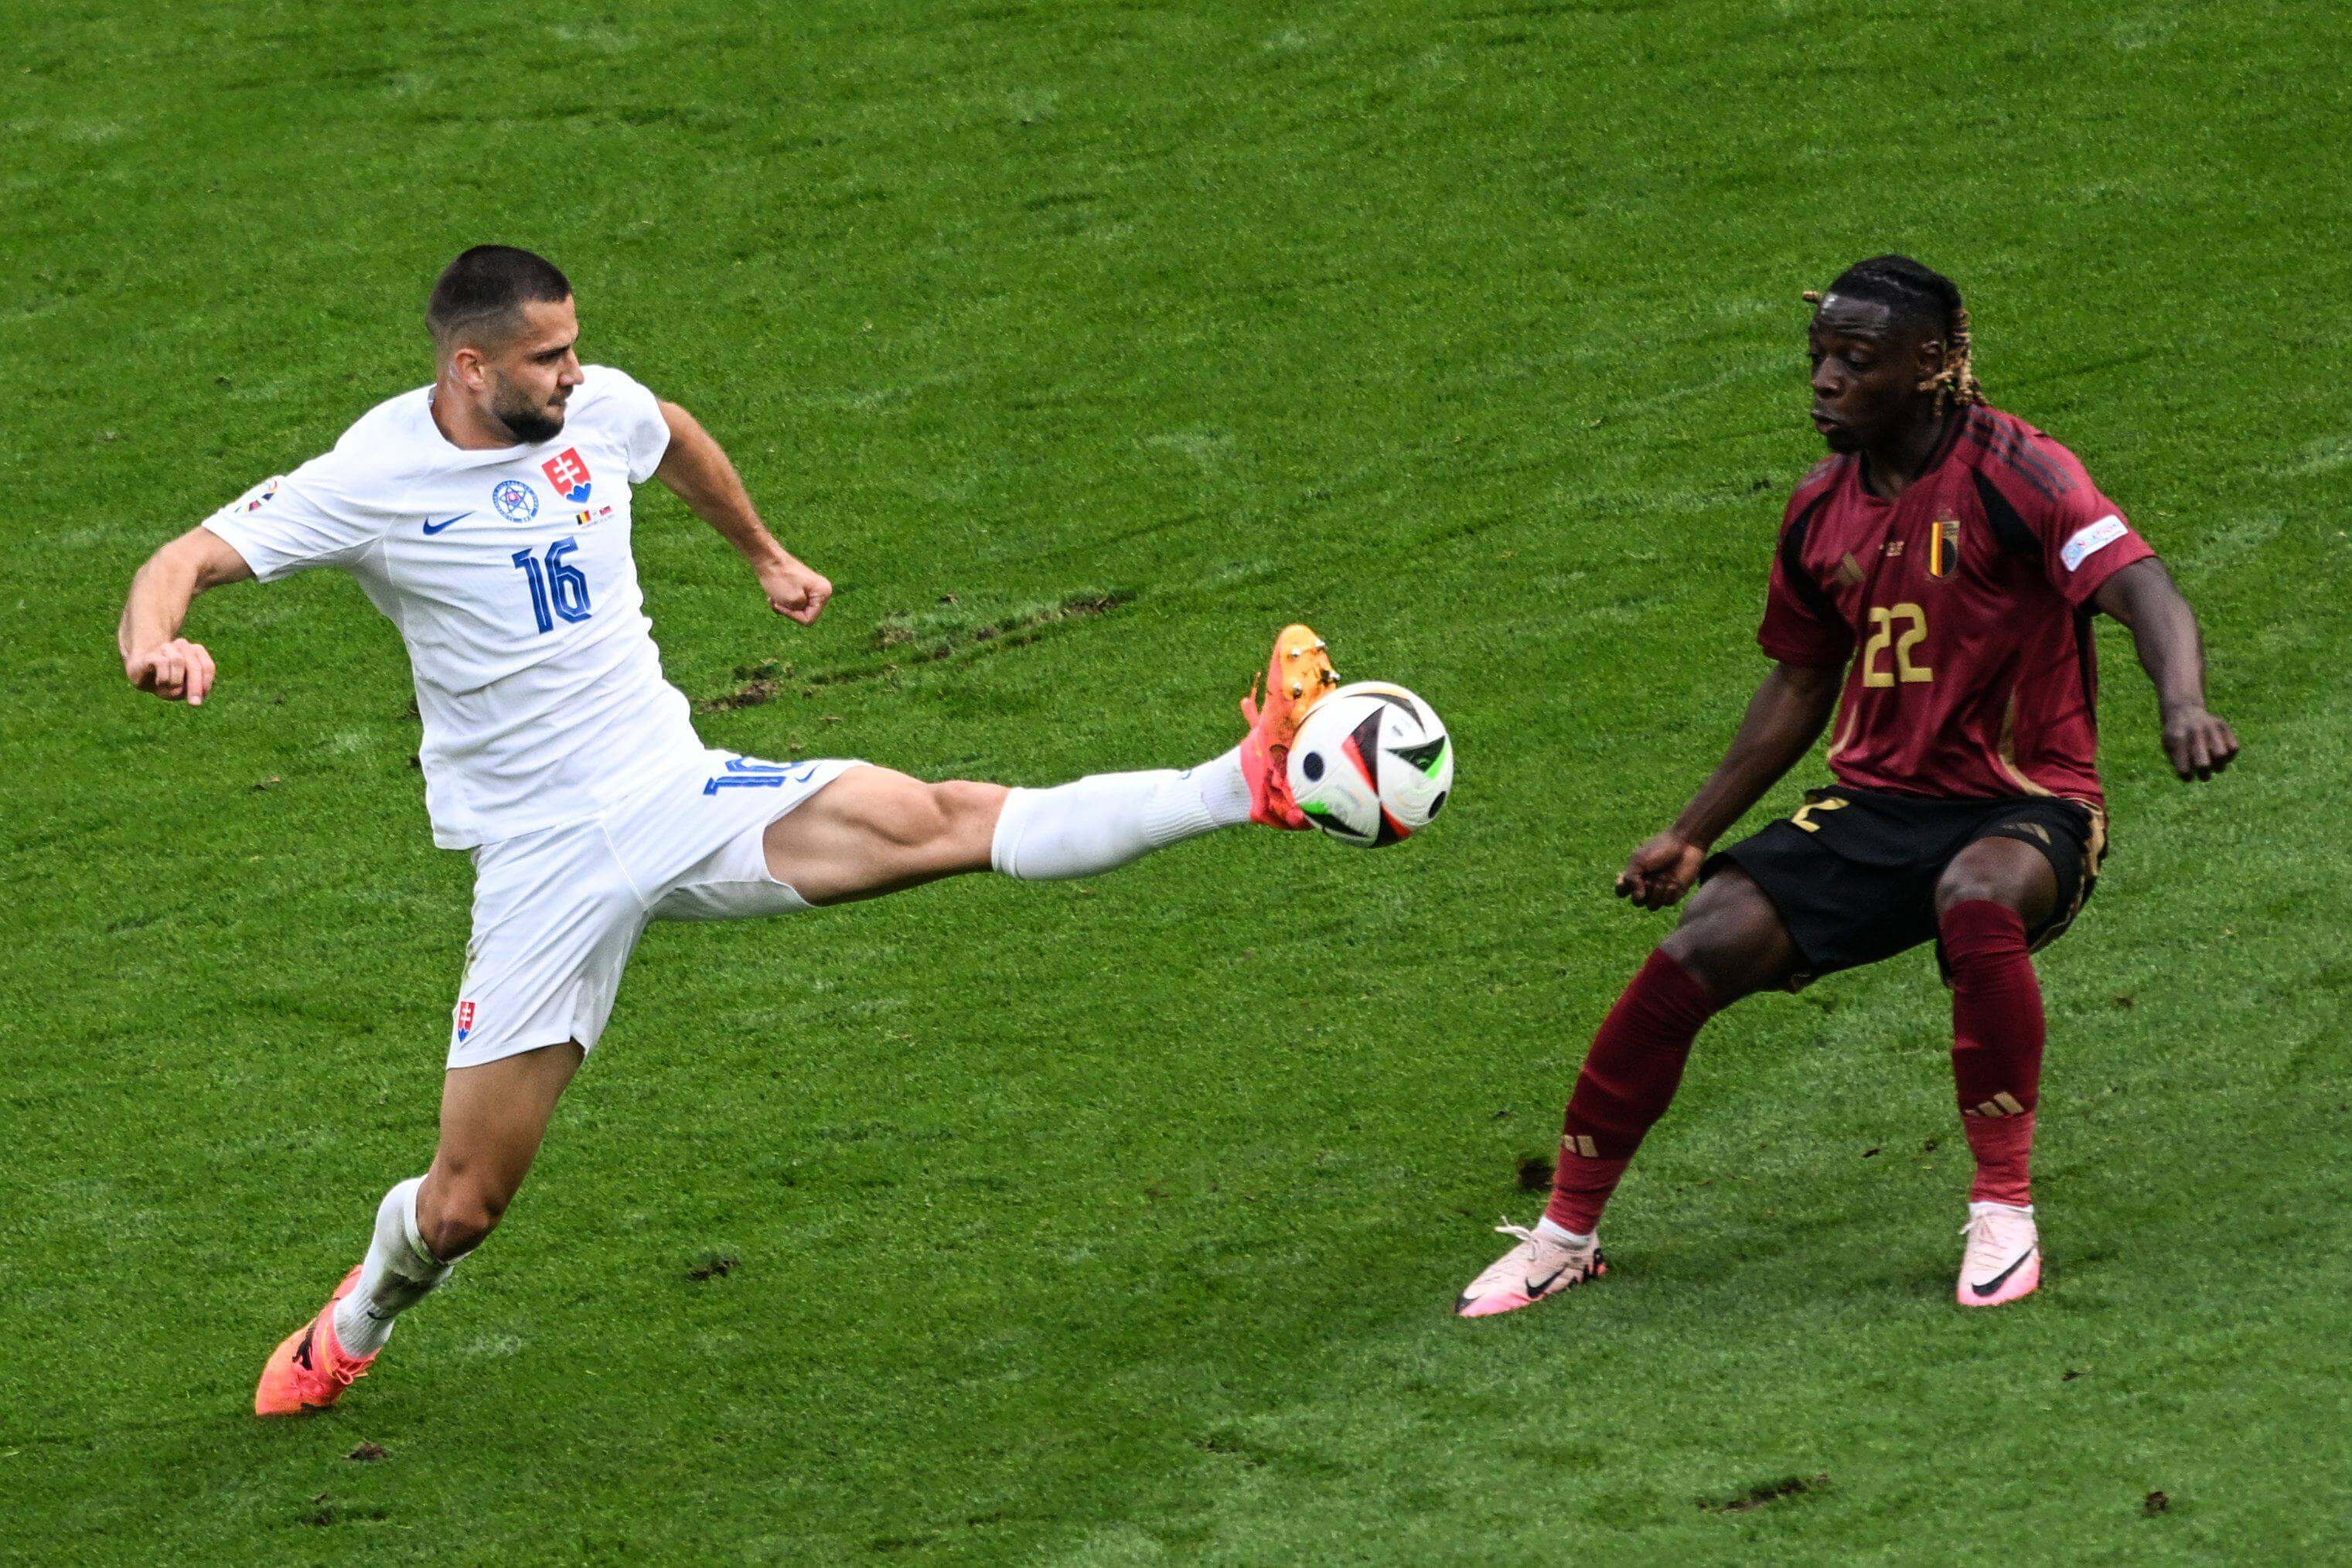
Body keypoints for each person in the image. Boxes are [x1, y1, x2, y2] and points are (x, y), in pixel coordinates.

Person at [118, 245, 1344, 1416]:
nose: (575, 374)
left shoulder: (593, 411)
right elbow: (183, 556)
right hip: (541, 857)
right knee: (463, 1208)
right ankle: (358, 1323)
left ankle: (1245, 781)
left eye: (575, 348)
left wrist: (761, 552)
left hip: (674, 786)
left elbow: (672, 440)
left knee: (939, 818)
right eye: (546, 358)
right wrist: (154, 645)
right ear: (469, 369)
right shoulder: (368, 480)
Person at [1457, 254, 2238, 1317]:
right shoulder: (1817, 508)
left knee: (1976, 897)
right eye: (1817, 355)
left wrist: (2180, 702)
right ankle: (1563, 1234)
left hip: (2026, 800)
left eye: (1853, 360)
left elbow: (2140, 585)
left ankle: (2001, 1207)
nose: (1824, 379)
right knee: (1697, 949)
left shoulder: (2021, 471)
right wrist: (1690, 833)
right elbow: (1799, 678)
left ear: (1926, 364)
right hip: (1874, 808)